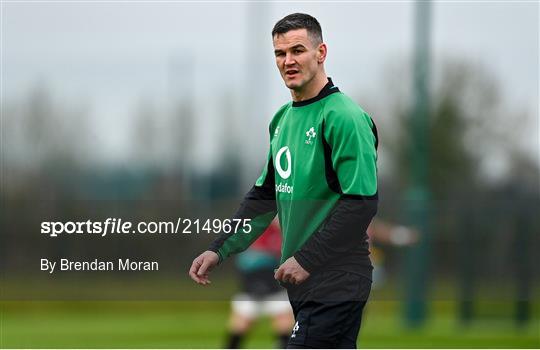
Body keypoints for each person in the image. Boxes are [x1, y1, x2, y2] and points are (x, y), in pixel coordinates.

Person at [189, 13, 378, 348]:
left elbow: (361, 204)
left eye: (297, 50)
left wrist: (307, 259)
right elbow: (263, 196)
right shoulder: (281, 120)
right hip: (303, 280)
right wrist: (219, 248)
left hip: (338, 276)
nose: (288, 61)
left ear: (321, 52)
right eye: (280, 53)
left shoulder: (344, 117)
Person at [225, 219, 294, 349]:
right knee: (243, 320)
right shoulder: (259, 231)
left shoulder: (278, 233)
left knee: (283, 319)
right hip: (257, 280)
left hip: (271, 282)